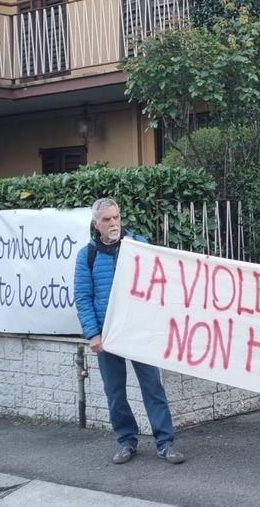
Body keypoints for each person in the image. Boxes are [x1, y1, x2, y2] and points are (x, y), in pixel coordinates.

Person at [74, 198, 185, 465]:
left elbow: (157, 285)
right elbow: (83, 296)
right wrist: (93, 334)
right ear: (95, 224)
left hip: (139, 332)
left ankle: (165, 442)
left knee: (152, 387)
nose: (113, 223)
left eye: (116, 217)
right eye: (106, 220)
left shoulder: (139, 246)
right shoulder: (86, 255)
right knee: (115, 391)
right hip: (107, 335)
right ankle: (126, 441)